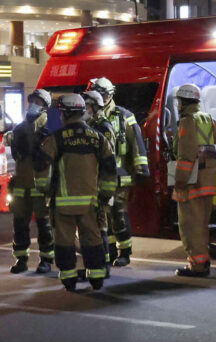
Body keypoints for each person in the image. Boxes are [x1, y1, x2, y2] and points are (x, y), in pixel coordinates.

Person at [35, 94, 117, 291]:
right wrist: (104, 196)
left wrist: (45, 190)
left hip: (63, 205)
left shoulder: (55, 140)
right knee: (93, 240)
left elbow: (42, 173)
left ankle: (69, 278)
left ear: (65, 114)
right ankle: (97, 278)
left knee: (64, 242)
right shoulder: (98, 138)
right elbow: (110, 169)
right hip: (91, 204)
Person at [170, 83, 216, 278]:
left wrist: (178, 183)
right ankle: (202, 263)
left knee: (190, 227)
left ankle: (197, 267)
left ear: (182, 102)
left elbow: (186, 157)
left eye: (179, 101)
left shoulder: (187, 122)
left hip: (191, 184)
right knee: (202, 226)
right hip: (207, 182)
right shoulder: (205, 118)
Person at [87, 77, 149, 267]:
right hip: (98, 176)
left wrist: (141, 168)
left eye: (103, 94)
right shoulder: (91, 116)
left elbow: (136, 143)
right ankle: (111, 249)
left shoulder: (123, 115)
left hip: (120, 176)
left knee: (119, 214)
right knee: (104, 214)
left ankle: (125, 251)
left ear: (108, 95)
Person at [6, 89, 54, 274]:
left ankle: (46, 260)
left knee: (44, 224)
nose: (34, 104)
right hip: (21, 185)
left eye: (38, 102)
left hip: (41, 185)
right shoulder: (19, 128)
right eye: (32, 101)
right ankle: (21, 259)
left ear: (45, 106)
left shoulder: (50, 127)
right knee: (19, 224)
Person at [83, 90, 116, 276]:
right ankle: (102, 265)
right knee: (96, 225)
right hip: (93, 183)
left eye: (88, 106)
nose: (85, 109)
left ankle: (104, 266)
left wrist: (105, 191)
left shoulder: (103, 127)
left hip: (101, 183)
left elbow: (107, 160)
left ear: (95, 107)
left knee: (101, 225)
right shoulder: (91, 126)